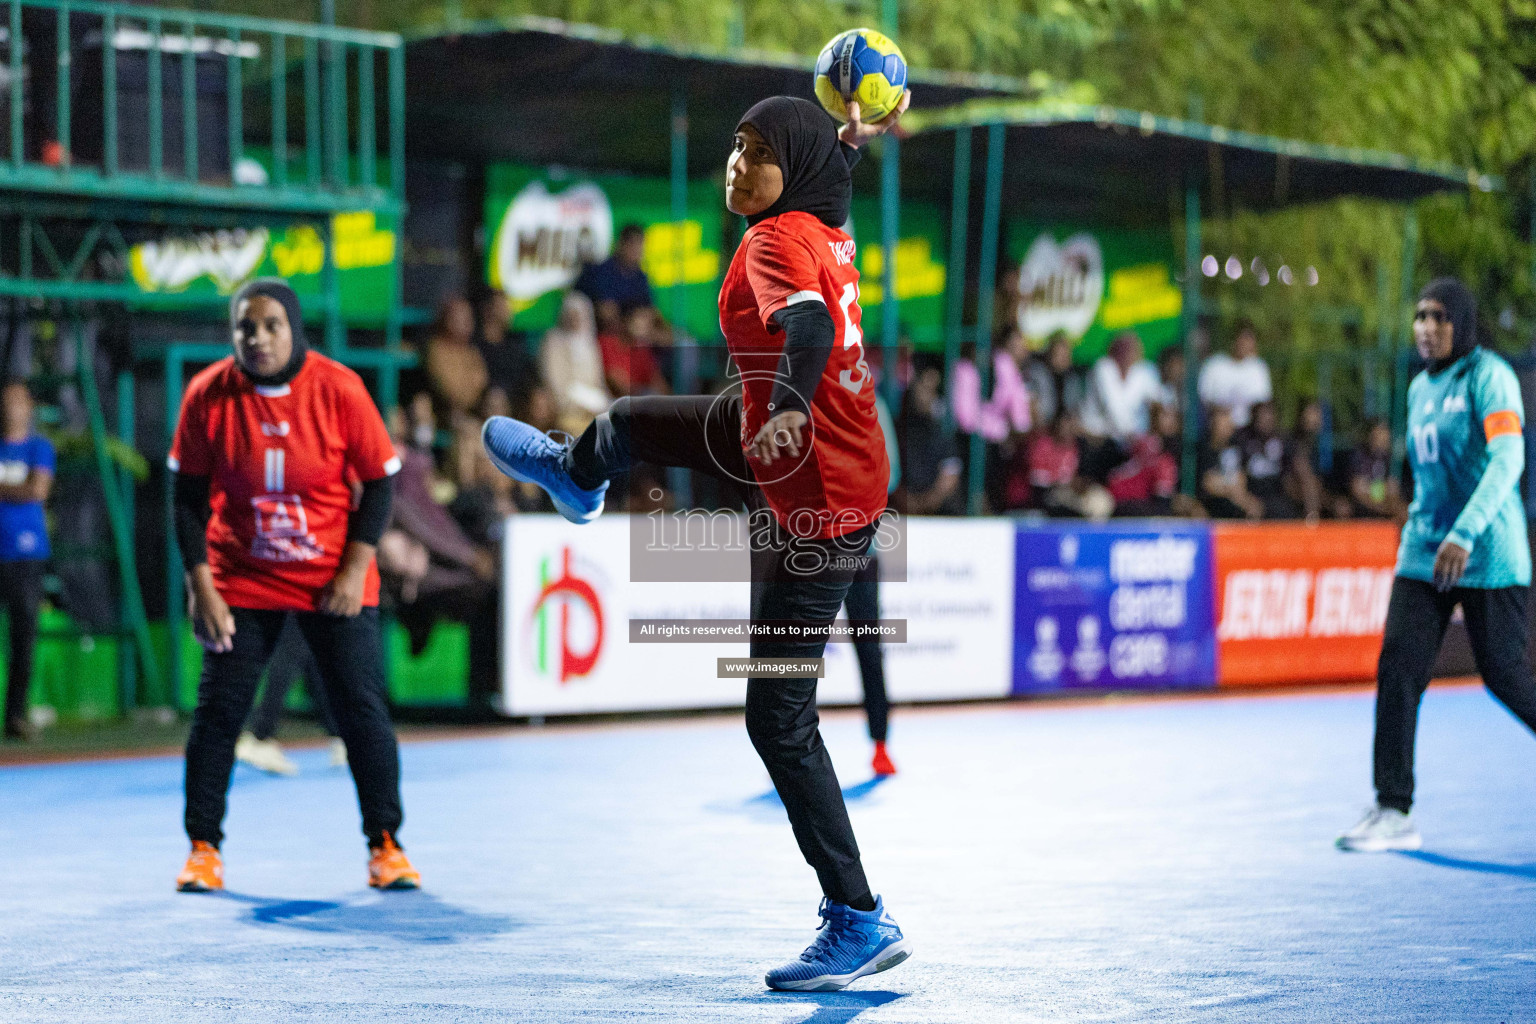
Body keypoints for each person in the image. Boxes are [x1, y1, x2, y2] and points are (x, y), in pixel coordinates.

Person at [482, 93, 912, 992]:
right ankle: (576, 471)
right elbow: (828, 195)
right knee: (633, 419)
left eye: (756, 153)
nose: (735, 163)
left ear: (785, 174)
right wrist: (847, 142)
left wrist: (791, 402)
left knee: (778, 719)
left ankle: (859, 917)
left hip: (814, 493)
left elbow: (810, 328)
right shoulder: (820, 223)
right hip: (808, 457)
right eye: (734, 145)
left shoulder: (772, 243)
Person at [168, 278, 420, 893]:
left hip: (333, 577)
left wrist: (355, 569)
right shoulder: (208, 396)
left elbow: (379, 486)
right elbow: (186, 499)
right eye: (244, 327)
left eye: (271, 325)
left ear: (295, 328)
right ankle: (203, 849)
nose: (256, 337)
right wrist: (202, 587)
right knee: (219, 713)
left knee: (360, 711)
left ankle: (386, 845)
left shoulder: (339, 389)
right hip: (241, 579)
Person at [1337, 278, 1536, 852]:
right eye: (1420, 316)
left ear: (1464, 324)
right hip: (1425, 552)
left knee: (1505, 677)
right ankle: (1393, 808)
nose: (1426, 326)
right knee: (1398, 666)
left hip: (1488, 553)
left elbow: (1508, 460)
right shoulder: (1420, 388)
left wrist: (1465, 532)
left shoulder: (1490, 377)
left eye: (1439, 317)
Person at [0, 380, 53, 740]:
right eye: (7, 401)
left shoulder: (39, 447)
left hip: (26, 557)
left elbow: (37, 490)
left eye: (19, 401)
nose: (12, 407)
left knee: (24, 638)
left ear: (29, 407)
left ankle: (15, 716)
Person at [234, 615, 346, 776]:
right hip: (296, 595)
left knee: (309, 647)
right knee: (295, 642)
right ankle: (260, 736)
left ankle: (339, 735)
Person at [892, 363, 962, 516]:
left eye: (933, 390)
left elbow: (950, 474)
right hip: (899, 511)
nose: (928, 394)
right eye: (924, 387)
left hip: (938, 513)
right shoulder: (897, 428)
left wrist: (927, 502)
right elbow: (886, 471)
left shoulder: (943, 430)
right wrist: (907, 502)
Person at [540, 291, 613, 436]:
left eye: (578, 315)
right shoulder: (553, 342)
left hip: (593, 409)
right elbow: (555, 383)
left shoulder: (590, 344)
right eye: (571, 315)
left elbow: (598, 382)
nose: (575, 320)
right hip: (565, 409)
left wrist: (601, 401)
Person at [1080, 332, 1163, 445]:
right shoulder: (1103, 367)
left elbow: (1158, 399)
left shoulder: (1142, 371)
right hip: (1098, 439)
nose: (1128, 353)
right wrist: (1133, 436)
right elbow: (1111, 408)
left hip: (1130, 440)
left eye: (1132, 349)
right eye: (1124, 348)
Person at [575, 222, 655, 333]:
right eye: (632, 244)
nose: (637, 250)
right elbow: (606, 312)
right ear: (621, 244)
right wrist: (630, 324)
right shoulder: (602, 271)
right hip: (600, 332)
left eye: (640, 245)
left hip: (633, 330)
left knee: (669, 336)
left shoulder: (640, 276)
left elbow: (649, 309)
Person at [423, 295, 487, 422]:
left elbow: (481, 382)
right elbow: (450, 391)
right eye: (459, 317)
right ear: (447, 318)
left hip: (472, 414)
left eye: (468, 317)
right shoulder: (436, 349)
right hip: (442, 415)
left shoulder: (472, 352)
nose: (465, 322)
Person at [1198, 322, 1272, 429]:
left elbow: (1263, 402)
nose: (1244, 344)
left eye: (1248, 340)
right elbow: (1204, 399)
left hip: (1250, 429)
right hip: (1218, 425)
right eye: (1242, 339)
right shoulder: (1214, 364)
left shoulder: (1258, 368)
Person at [1196, 405, 1263, 520]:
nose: (1228, 427)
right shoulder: (1204, 450)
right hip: (1212, 503)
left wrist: (1243, 498)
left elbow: (1241, 478)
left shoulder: (1237, 448)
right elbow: (1209, 483)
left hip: (1236, 502)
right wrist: (1235, 494)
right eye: (1223, 423)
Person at [1345, 418, 1408, 521]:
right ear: (1372, 434)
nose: (1386, 436)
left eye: (1387, 432)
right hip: (1364, 507)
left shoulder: (1390, 458)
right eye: (1381, 432)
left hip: (1385, 504)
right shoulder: (1360, 455)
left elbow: (1393, 488)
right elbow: (1357, 488)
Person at [1024, 332, 1085, 427]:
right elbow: (1032, 408)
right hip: (1042, 429)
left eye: (1066, 354)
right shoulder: (1037, 372)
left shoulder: (1072, 379)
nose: (1062, 358)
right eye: (1058, 354)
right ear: (1049, 353)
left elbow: (1075, 410)